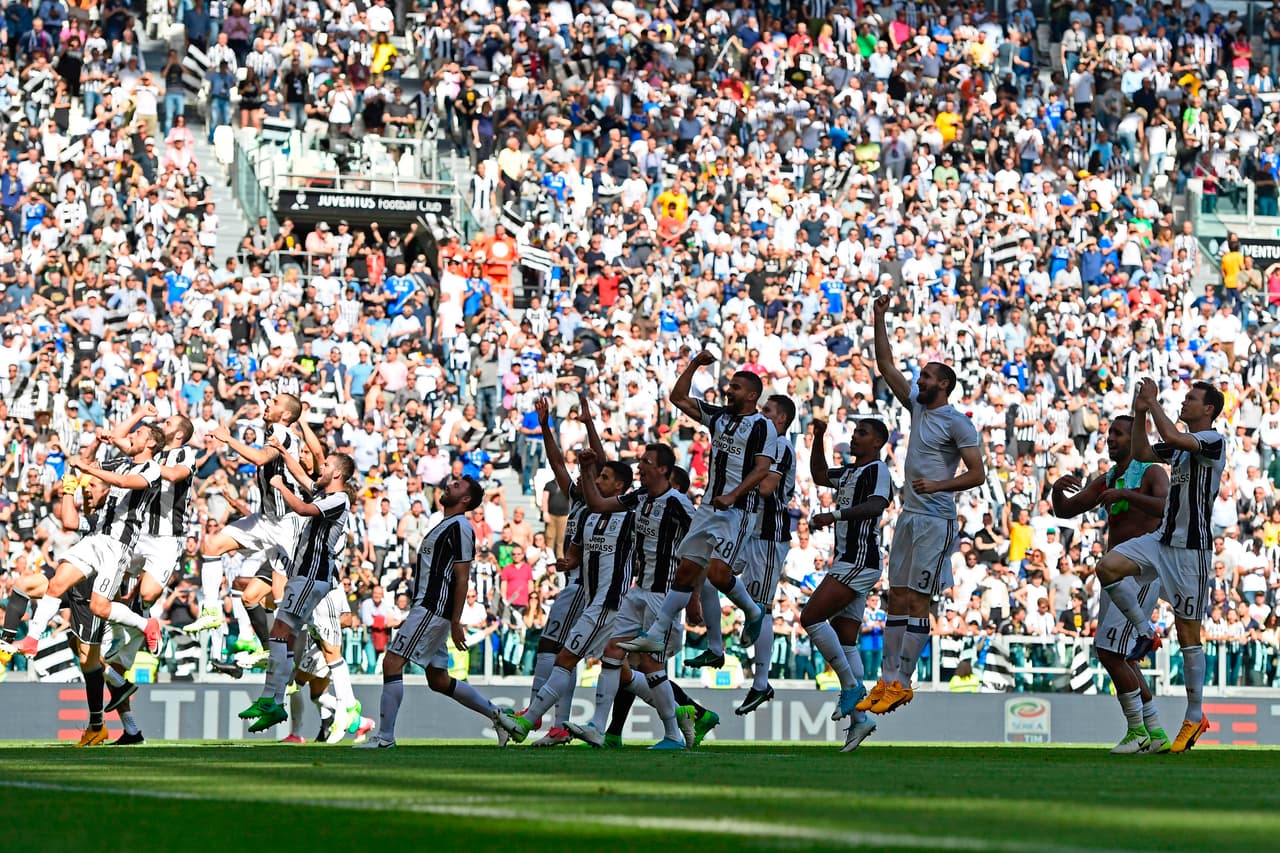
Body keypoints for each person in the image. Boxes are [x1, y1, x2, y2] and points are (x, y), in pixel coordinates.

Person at [858, 295, 985, 715]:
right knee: (896, 596)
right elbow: (886, 366)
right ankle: (886, 679)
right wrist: (879, 317)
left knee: (918, 600)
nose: (920, 380)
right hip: (910, 516)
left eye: (928, 376)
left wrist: (938, 485)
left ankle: (904, 681)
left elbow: (977, 474)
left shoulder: (957, 422)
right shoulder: (917, 406)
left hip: (935, 519)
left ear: (943, 384)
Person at [1097, 379, 1227, 754]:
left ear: (1208, 409)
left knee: (1188, 634)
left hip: (1191, 550)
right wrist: (1140, 413)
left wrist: (1153, 402)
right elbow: (1141, 451)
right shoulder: (1181, 449)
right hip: (1161, 539)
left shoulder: (1212, 440)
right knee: (1108, 567)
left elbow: (1169, 433)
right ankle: (1145, 631)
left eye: (1191, 399)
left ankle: (1194, 714)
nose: (1184, 403)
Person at [620, 351, 774, 657]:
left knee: (717, 574)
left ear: (752, 395)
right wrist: (693, 365)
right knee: (685, 572)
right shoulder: (719, 417)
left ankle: (753, 611)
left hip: (737, 510)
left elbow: (762, 469)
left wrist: (733, 495)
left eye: (736, 387)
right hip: (708, 508)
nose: (729, 390)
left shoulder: (761, 426)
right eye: (730, 385)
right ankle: (656, 634)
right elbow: (678, 398)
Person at [358, 475, 521, 748]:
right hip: (428, 608)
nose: (448, 485)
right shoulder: (446, 524)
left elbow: (462, 577)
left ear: (465, 499)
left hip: (433, 608)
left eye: (457, 486)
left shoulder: (461, 527)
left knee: (392, 662)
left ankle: (385, 737)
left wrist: (455, 621)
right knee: (438, 680)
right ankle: (499, 716)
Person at [1051, 414, 1172, 754]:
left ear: (1135, 438)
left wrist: (1126, 495)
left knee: (1109, 651)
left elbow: (1167, 507)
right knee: (1124, 656)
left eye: (1118, 433)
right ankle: (1155, 732)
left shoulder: (1151, 472)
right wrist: (1056, 491)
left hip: (1139, 573)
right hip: (1113, 576)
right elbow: (1066, 511)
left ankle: (1136, 731)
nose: (1111, 439)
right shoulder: (1109, 478)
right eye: (1109, 435)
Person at [567, 443, 695, 749]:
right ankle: (597, 727)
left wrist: (695, 599)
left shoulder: (679, 504)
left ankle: (674, 733)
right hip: (639, 591)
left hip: (664, 595)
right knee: (612, 650)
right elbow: (598, 504)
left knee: (650, 664)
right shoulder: (639, 497)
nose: (640, 467)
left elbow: (699, 551)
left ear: (663, 469)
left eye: (646, 462)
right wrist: (587, 468)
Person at [505, 455, 636, 743]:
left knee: (564, 656)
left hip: (606, 601)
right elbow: (575, 552)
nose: (596, 480)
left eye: (603, 477)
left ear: (619, 485)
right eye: (595, 476)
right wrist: (569, 561)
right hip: (592, 599)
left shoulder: (630, 516)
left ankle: (531, 721)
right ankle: (680, 714)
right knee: (620, 667)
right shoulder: (588, 515)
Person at [237, 452, 358, 734]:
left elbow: (303, 509)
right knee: (286, 636)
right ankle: (274, 699)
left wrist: (280, 486)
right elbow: (302, 475)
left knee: (285, 634)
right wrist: (282, 449)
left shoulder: (338, 500)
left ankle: (278, 699)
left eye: (326, 464)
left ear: (337, 473)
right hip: (303, 576)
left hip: (313, 576)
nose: (320, 466)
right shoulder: (324, 494)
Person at [183, 394, 304, 665]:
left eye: (275, 402)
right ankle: (211, 610)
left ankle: (285, 659)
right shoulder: (274, 432)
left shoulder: (283, 433)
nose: (268, 404)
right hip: (265, 519)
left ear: (286, 415)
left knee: (280, 595)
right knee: (212, 545)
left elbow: (260, 458)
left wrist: (229, 439)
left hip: (287, 525)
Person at [519, 392, 603, 747]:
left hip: (583, 586)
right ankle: (559, 724)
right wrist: (545, 427)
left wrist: (589, 425)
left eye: (587, 473)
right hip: (577, 583)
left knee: (551, 646)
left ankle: (535, 713)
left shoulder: (602, 504)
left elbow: (600, 461)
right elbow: (556, 464)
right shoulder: (579, 498)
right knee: (568, 656)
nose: (578, 477)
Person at [804, 417, 892, 752]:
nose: (855, 438)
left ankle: (852, 689)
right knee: (846, 641)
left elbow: (877, 505)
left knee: (810, 617)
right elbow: (818, 474)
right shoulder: (849, 472)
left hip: (859, 560)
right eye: (854, 433)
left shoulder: (876, 470)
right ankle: (860, 719)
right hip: (848, 559)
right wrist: (819, 436)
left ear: (878, 442)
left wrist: (835, 515)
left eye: (862, 433)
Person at [732, 394, 798, 716]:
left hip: (768, 536)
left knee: (764, 606)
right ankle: (750, 617)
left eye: (767, 410)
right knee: (713, 573)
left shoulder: (780, 446)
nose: (761, 414)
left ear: (781, 419)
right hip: (748, 530)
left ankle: (760, 683)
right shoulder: (766, 447)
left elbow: (766, 488)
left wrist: (737, 482)